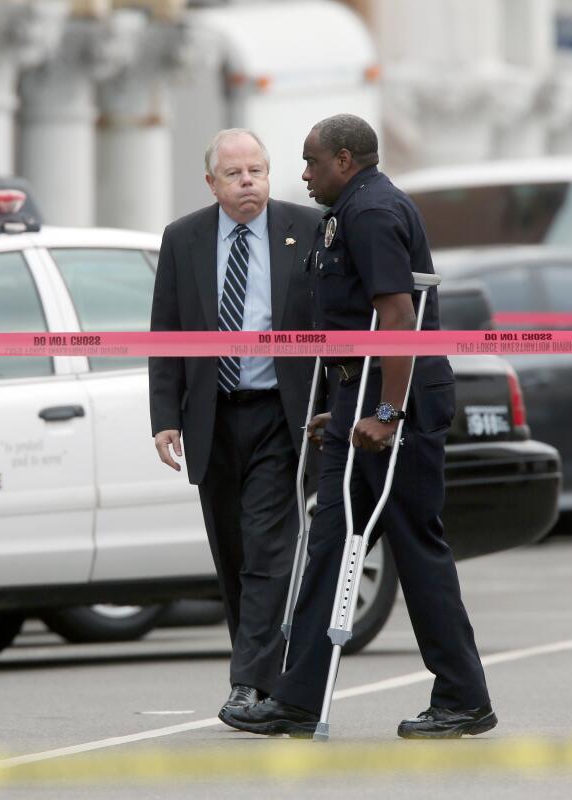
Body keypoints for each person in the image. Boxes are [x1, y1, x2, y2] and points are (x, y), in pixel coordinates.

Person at [220, 114, 496, 739]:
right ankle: (297, 697)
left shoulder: (372, 212)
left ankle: (463, 696)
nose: (304, 174)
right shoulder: (348, 212)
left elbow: (398, 315)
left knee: (414, 544)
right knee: (327, 544)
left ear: (345, 160)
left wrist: (386, 411)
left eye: (312, 162)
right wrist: (345, 406)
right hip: (360, 389)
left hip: (394, 395)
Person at [149, 129, 321, 717]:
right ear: (212, 183)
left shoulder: (307, 227)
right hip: (214, 415)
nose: (249, 182)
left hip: (280, 411)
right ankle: (258, 673)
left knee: (267, 552)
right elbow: (166, 332)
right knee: (232, 552)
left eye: (258, 170)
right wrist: (165, 416)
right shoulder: (184, 239)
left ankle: (248, 683)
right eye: (235, 174)